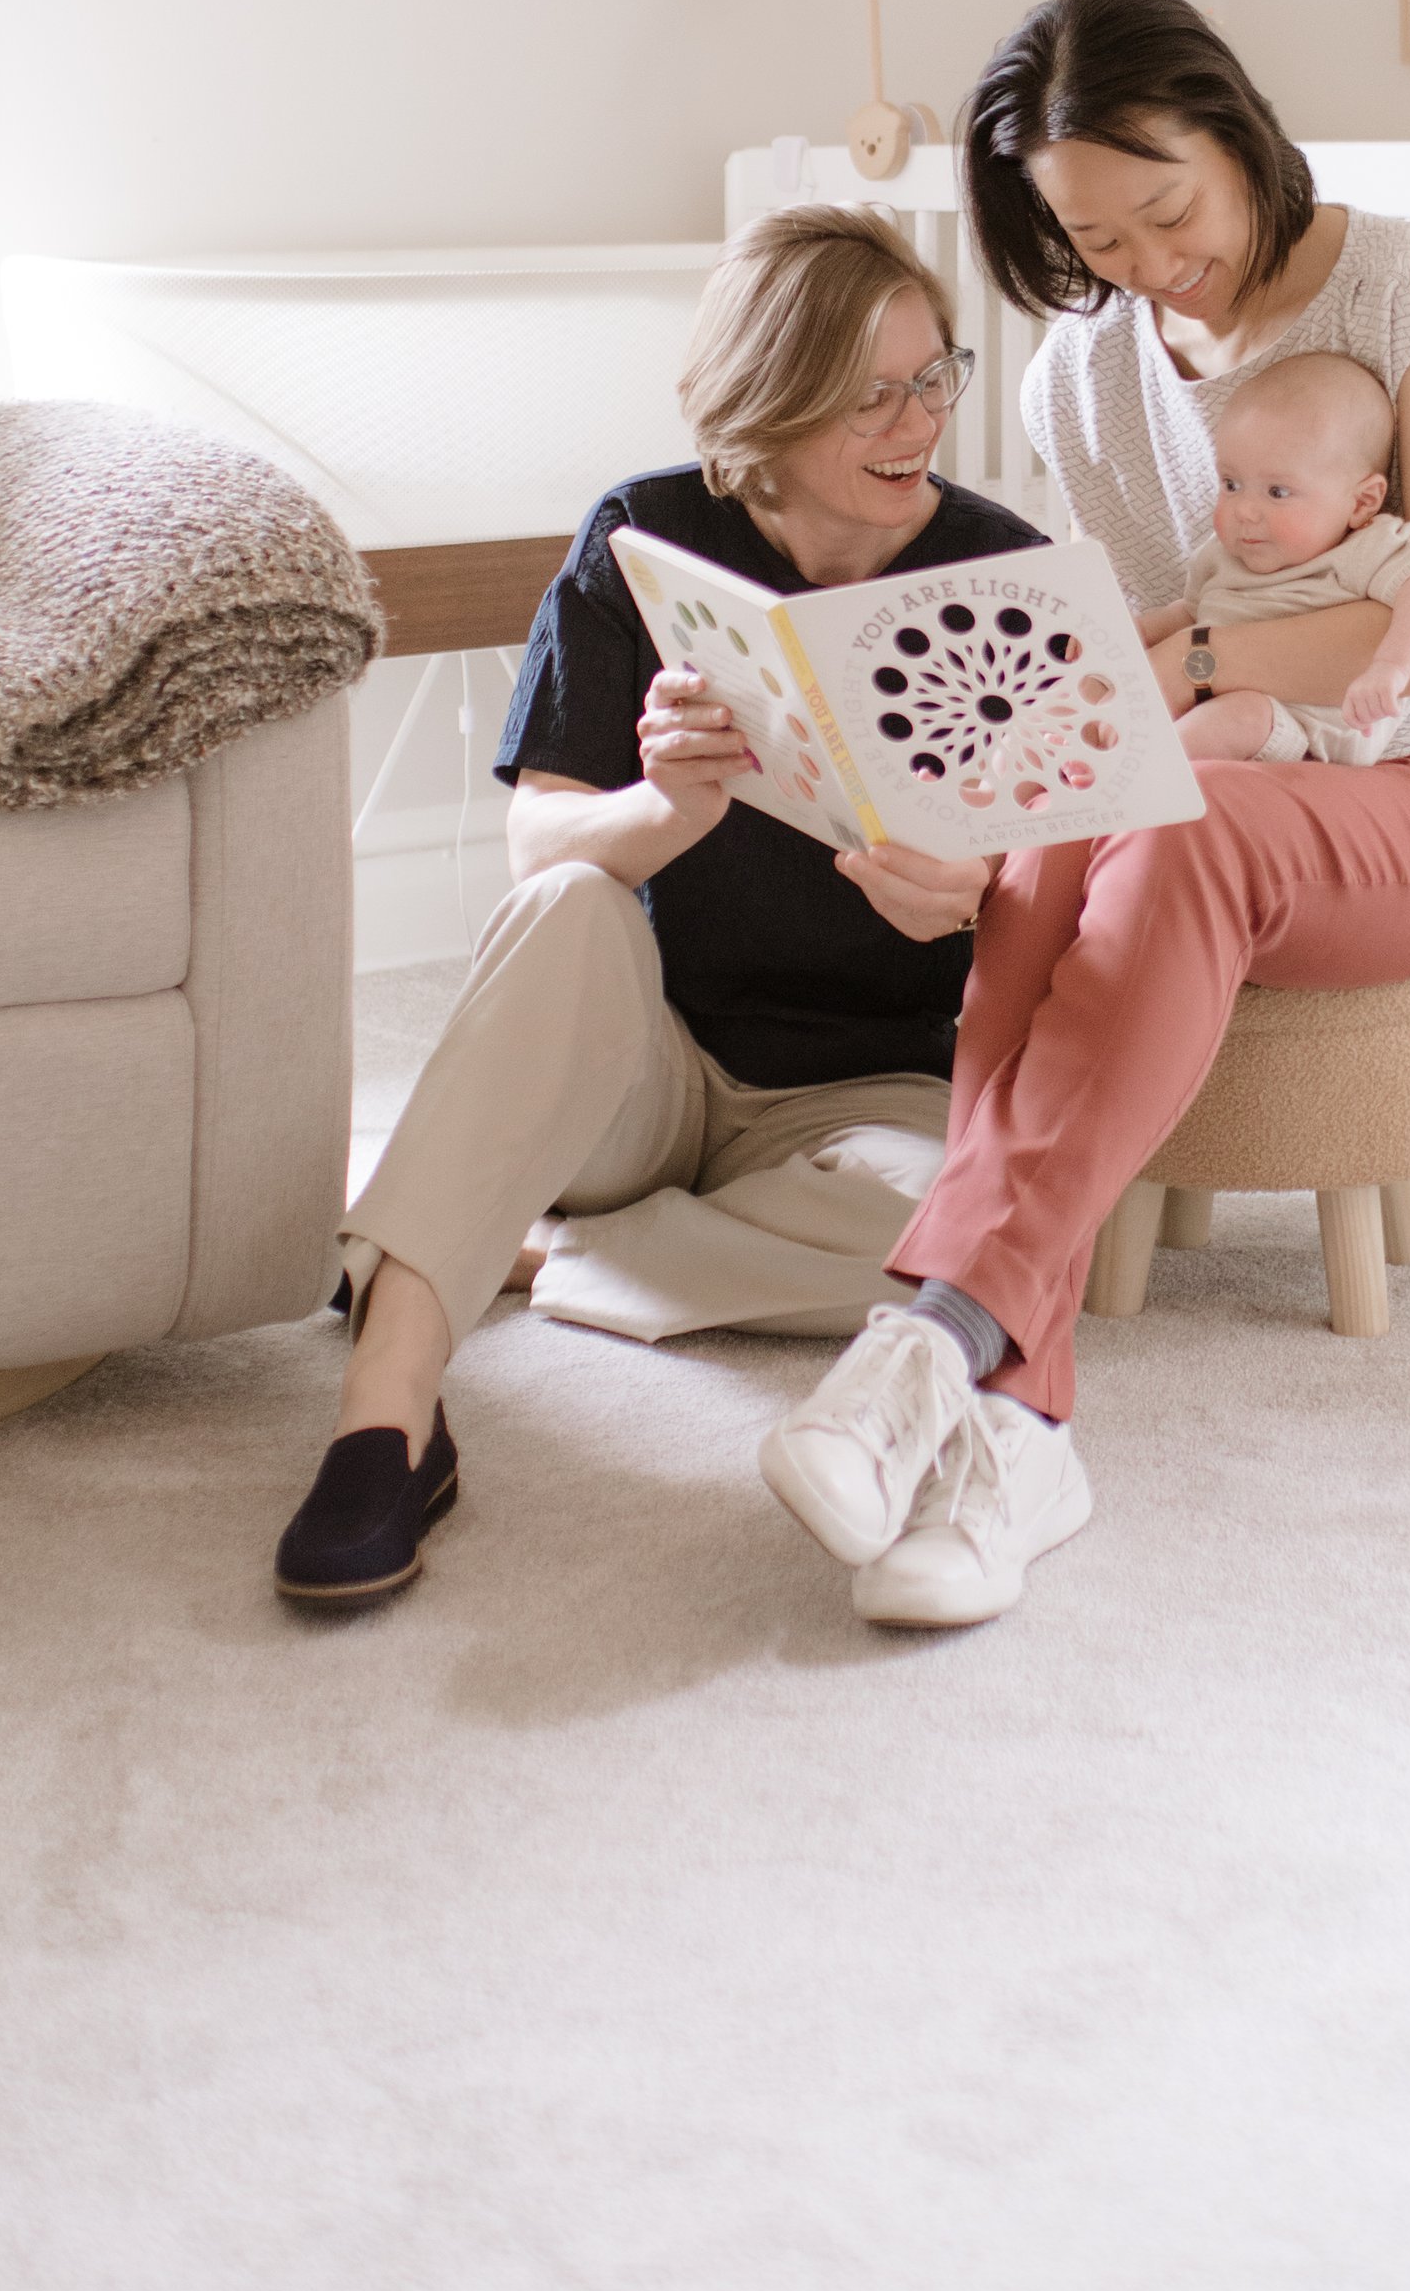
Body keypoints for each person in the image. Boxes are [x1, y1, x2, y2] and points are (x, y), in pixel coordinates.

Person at [756, 0, 1410, 1637]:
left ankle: (930, 1345)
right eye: (1096, 239)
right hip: (1197, 782)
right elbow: (1118, 680)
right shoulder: (1085, 381)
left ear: (1235, 131)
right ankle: (1013, 1428)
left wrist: (1207, 655)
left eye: (1167, 207)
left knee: (1171, 817)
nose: (1145, 261)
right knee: (1058, 848)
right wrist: (970, 815)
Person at [272, 203, 1043, 1607]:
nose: (917, 417)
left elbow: (1073, 903)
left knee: (955, 1260)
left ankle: (520, 1245)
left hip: (866, 1101)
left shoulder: (1000, 573)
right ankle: (388, 1408)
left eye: (935, 375)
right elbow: (539, 847)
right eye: (870, 389)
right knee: (572, 899)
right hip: (646, 1076)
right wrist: (663, 811)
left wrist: (982, 896)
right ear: (771, 399)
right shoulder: (645, 534)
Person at [1136, 349, 1410, 767]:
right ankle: (1077, 758)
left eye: (1277, 492)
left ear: (1361, 502)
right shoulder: (1223, 555)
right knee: (1116, 681)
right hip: (1213, 701)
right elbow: (1190, 613)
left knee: (1241, 714)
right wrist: (1134, 634)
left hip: (1309, 723)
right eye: (1231, 484)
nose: (1244, 510)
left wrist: (1392, 667)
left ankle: (1140, 770)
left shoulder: (1365, 547)